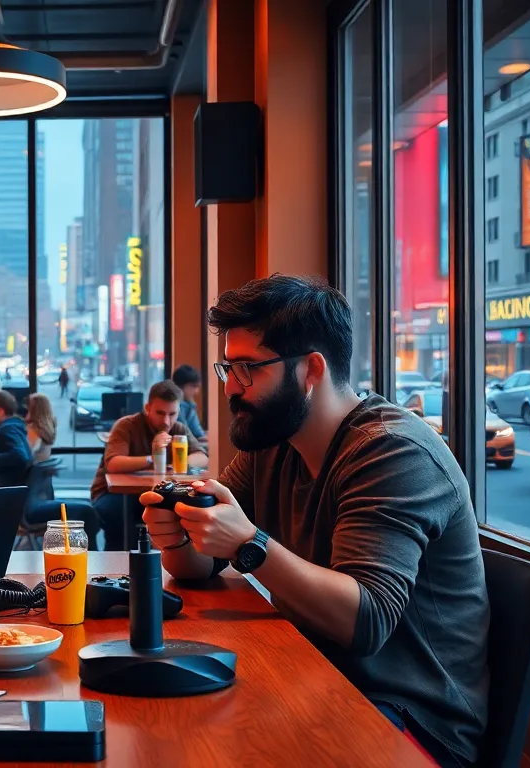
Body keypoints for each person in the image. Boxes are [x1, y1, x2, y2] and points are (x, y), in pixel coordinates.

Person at [139, 275, 488, 767]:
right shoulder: (273, 440)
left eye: (247, 369)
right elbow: (202, 566)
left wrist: (249, 545)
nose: (231, 389)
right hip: (317, 678)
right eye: (227, 368)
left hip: (407, 722)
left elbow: (365, 620)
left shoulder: (391, 451)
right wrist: (177, 533)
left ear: (310, 369)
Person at [89, 380, 206, 550]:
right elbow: (113, 463)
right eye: (160, 413)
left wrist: (179, 464)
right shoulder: (127, 425)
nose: (166, 421)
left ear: (179, 410)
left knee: (184, 508)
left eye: (172, 414)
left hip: (153, 492)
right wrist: (153, 457)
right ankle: (119, 565)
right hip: (110, 493)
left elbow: (201, 456)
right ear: (147, 408)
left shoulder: (178, 429)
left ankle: (170, 562)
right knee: (120, 514)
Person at [0, 390, 32, 488]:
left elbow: (20, 456)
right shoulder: (13, 426)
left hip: (7, 496)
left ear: (1, 411)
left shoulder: (7, 429)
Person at [171, 364, 207, 441]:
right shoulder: (175, 406)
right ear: (179, 386)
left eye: (198, 387)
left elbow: (198, 433)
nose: (197, 391)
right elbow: (183, 435)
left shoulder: (190, 405)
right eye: (193, 386)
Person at [25, 392, 57, 463]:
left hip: (30, 471)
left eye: (29, 406)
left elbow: (23, 454)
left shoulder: (33, 430)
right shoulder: (48, 428)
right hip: (41, 470)